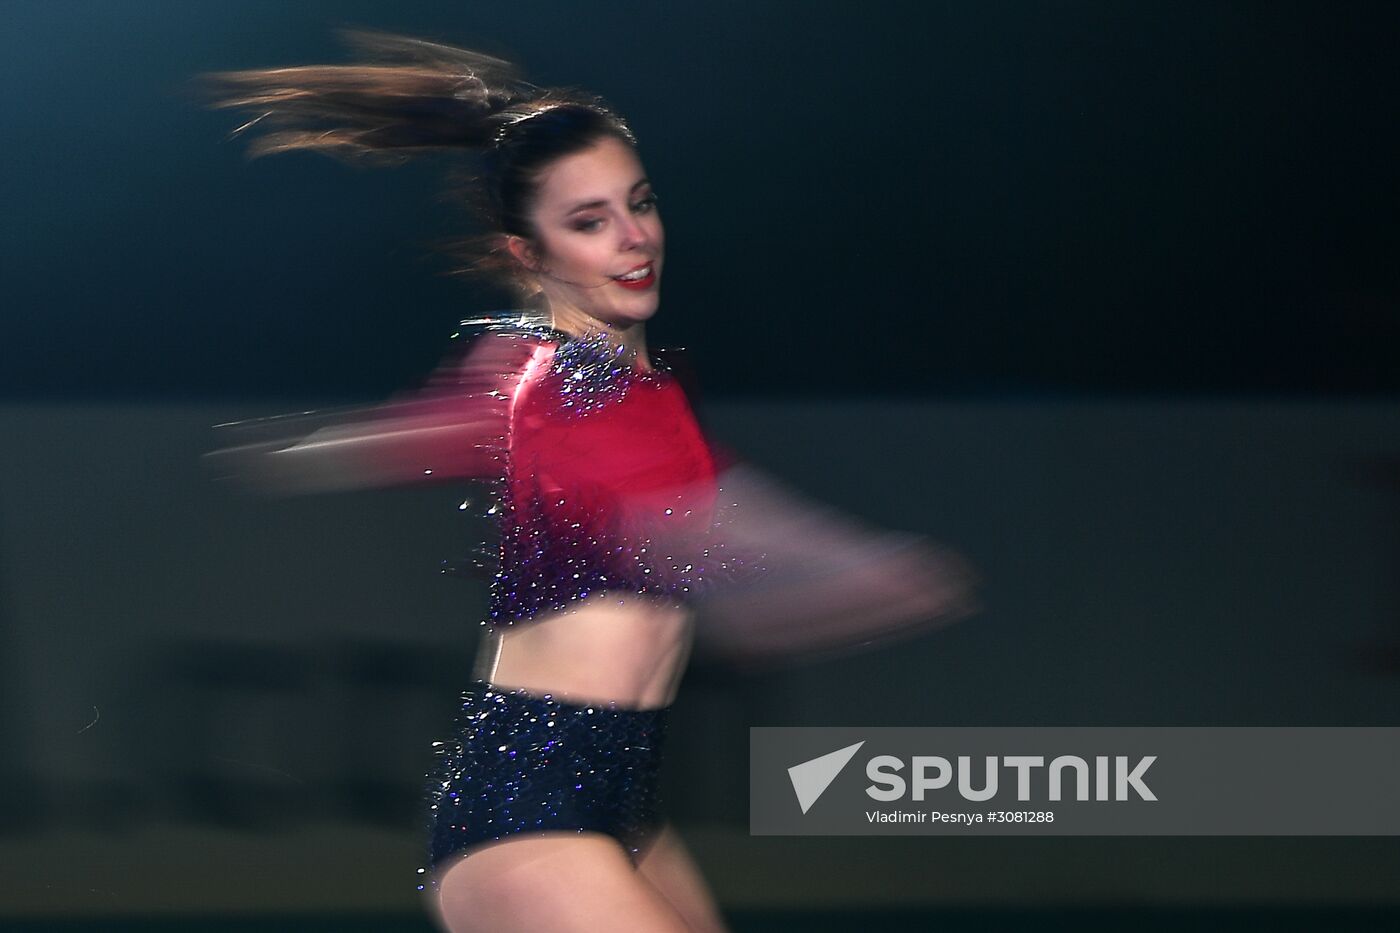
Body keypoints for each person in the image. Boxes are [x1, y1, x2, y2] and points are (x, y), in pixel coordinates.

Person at [202, 30, 975, 932]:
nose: (633, 237)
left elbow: (450, 427)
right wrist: (866, 565)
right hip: (526, 811)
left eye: (638, 203)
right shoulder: (567, 387)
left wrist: (316, 454)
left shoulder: (567, 376)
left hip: (621, 805)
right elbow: (707, 526)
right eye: (589, 221)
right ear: (529, 255)